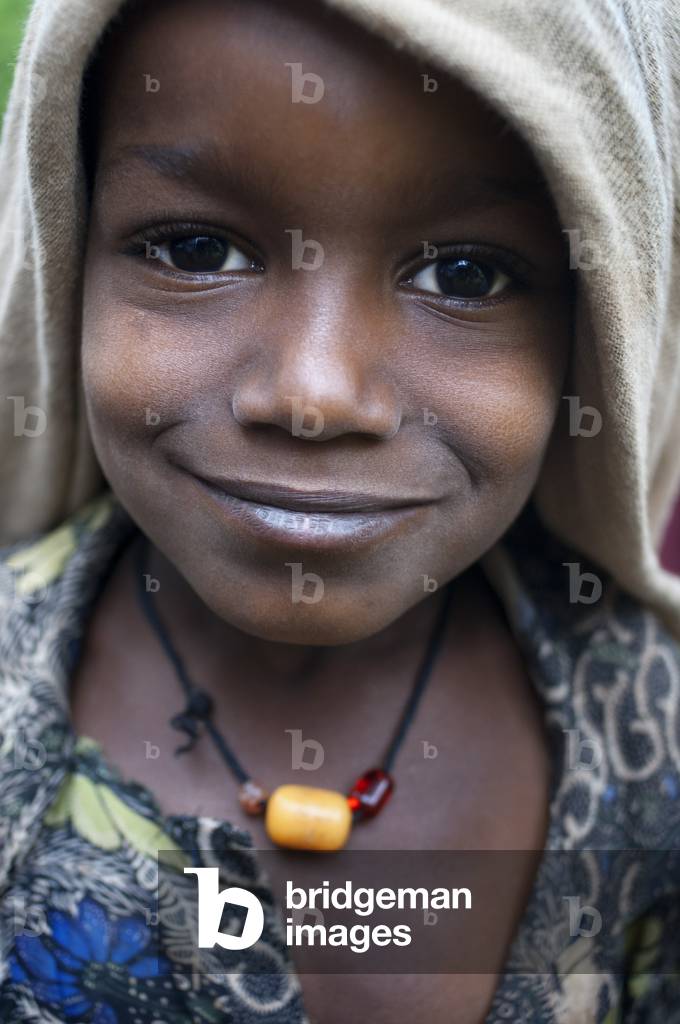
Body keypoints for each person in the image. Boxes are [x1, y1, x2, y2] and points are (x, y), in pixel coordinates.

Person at [1, 0, 679, 1021]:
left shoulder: (653, 731)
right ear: (66, 257)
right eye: (193, 250)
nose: (314, 394)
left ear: (600, 331)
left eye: (465, 273)